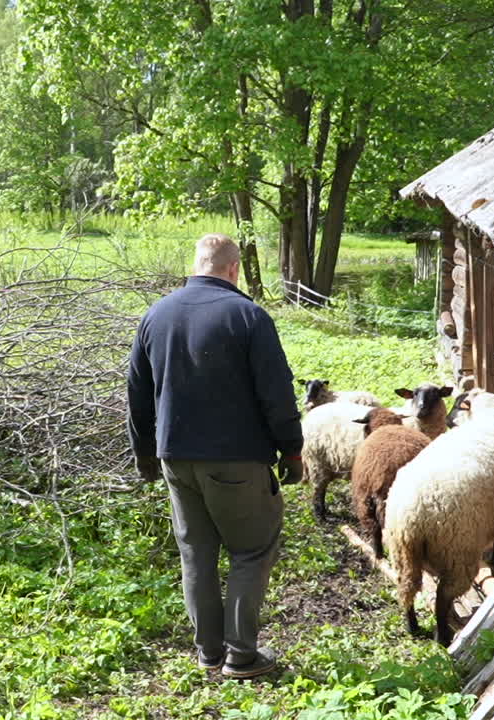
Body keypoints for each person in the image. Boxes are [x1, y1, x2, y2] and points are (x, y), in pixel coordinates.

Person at [126, 233, 303, 679]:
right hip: (237, 460)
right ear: (232, 269)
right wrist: (293, 449)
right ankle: (240, 654)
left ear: (197, 263)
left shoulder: (156, 315)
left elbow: (137, 395)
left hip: (176, 458)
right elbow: (277, 393)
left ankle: (207, 652)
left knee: (196, 554)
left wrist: (146, 457)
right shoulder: (248, 316)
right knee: (251, 550)